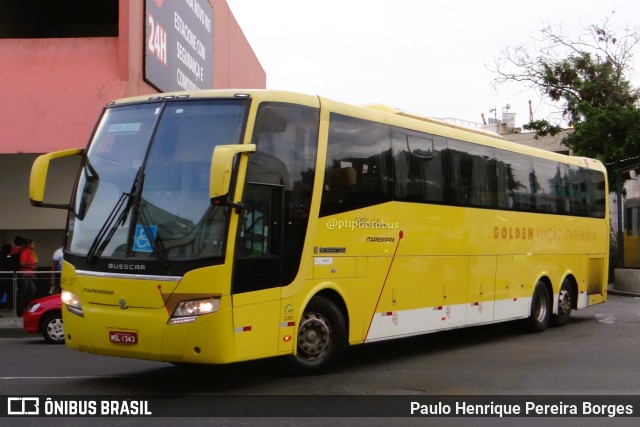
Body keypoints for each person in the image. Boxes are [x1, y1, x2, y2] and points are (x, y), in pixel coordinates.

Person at [17, 239, 37, 316]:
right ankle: (20, 309)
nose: (34, 246)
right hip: (24, 274)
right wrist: (31, 267)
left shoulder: (31, 253)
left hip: (29, 275)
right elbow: (22, 263)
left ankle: (24, 306)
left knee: (32, 290)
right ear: (28, 245)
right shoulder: (25, 252)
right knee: (23, 292)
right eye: (32, 244)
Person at [0, 244, 13, 311]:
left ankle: (5, 306)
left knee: (2, 292)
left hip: (3, 276)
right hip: (7, 276)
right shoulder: (9, 257)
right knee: (8, 292)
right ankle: (6, 307)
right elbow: (10, 266)